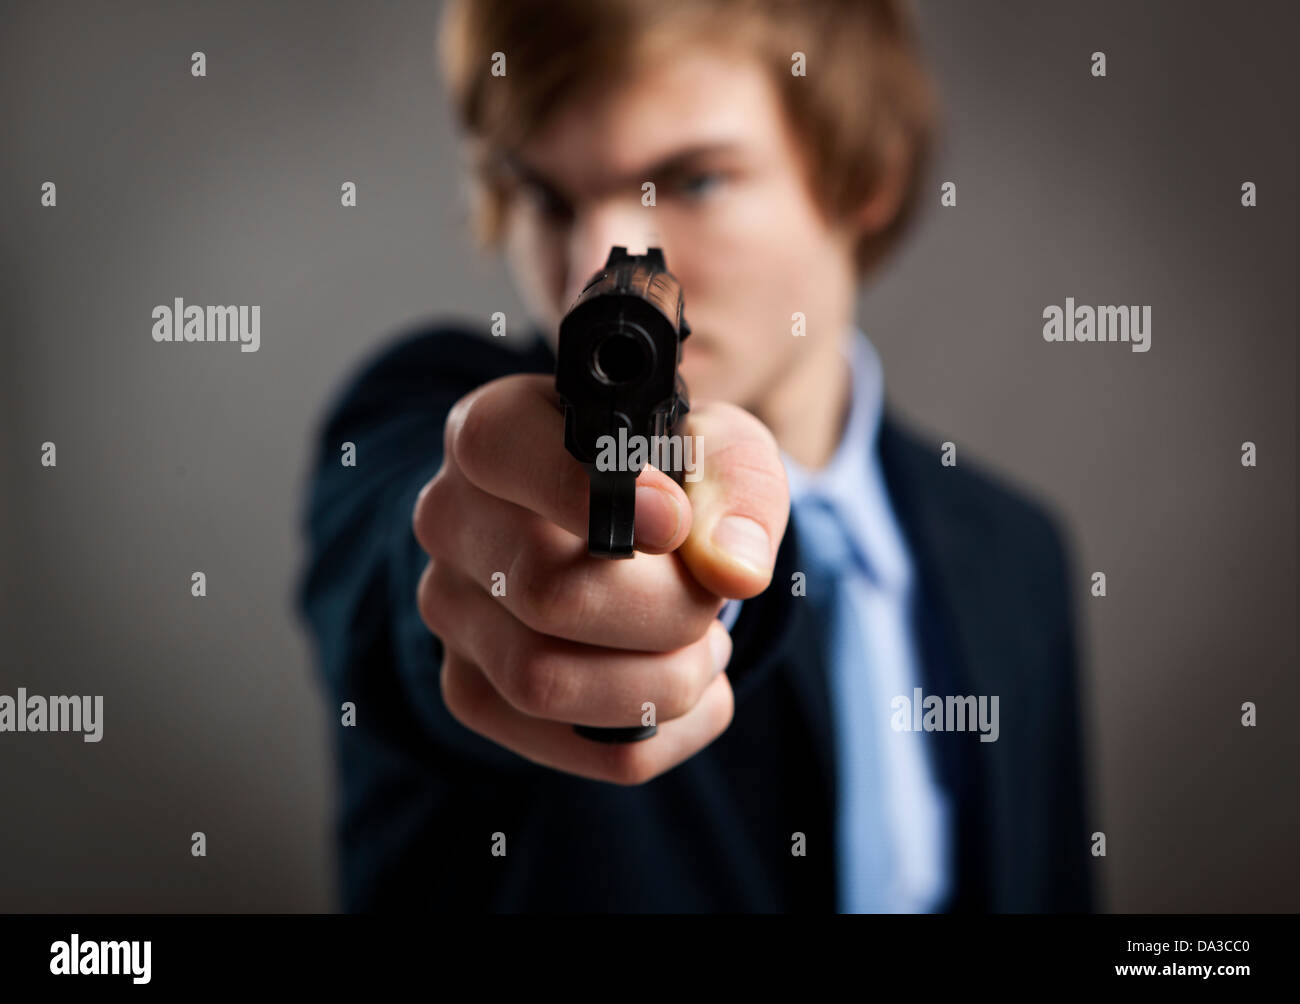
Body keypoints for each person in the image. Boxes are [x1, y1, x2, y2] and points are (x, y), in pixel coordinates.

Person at [295, 0, 1095, 912]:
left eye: (694, 181)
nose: (595, 265)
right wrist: (509, 593)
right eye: (545, 196)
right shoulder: (426, 423)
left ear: (866, 174)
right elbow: (411, 566)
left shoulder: (1017, 557)